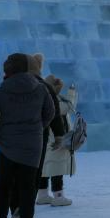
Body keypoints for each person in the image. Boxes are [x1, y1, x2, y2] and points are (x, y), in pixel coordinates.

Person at [0, 53, 56, 218]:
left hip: (7, 147)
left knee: (3, 189)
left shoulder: (1, 91)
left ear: (8, 70)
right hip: (32, 147)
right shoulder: (40, 89)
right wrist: (38, 128)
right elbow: (51, 112)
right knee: (28, 190)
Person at [8, 53, 66, 218]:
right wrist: (57, 134)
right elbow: (53, 112)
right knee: (31, 177)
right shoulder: (44, 86)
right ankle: (25, 213)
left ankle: (14, 210)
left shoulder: (10, 84)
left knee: (14, 177)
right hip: (37, 138)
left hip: (13, 138)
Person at [38, 75, 78, 206]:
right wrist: (72, 94)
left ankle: (43, 195)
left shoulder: (41, 98)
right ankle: (58, 196)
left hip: (45, 140)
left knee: (44, 168)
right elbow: (69, 107)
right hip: (56, 140)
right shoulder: (53, 101)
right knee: (57, 169)